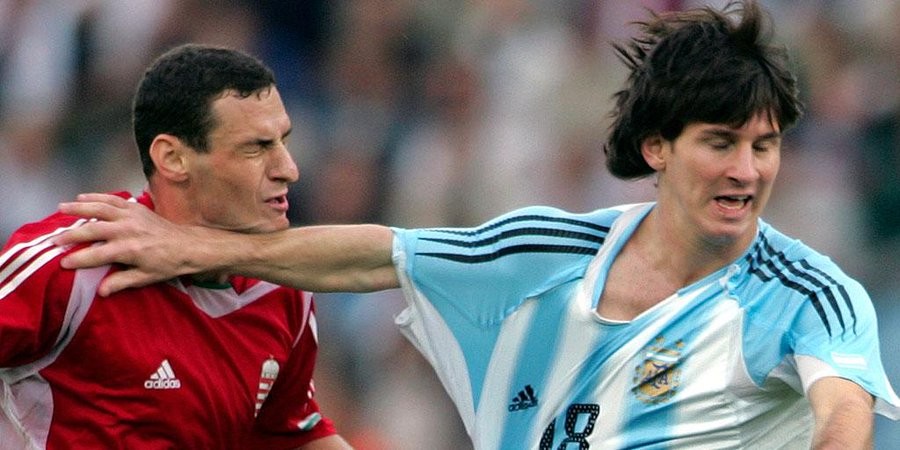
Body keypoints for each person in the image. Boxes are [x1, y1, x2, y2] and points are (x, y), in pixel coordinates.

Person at [53, 2, 899, 448]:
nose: (748, 170)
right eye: (721, 142)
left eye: (765, 145)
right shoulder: (551, 251)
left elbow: (843, 416)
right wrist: (194, 246)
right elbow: (382, 257)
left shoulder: (811, 295)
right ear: (658, 147)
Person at [0, 44, 351, 449]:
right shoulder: (78, 259)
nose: (289, 169)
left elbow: (290, 433)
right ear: (173, 158)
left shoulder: (280, 286)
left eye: (283, 141)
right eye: (256, 148)